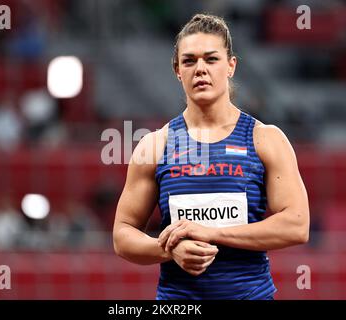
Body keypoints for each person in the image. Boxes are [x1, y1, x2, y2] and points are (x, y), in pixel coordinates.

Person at [113, 13, 310, 300]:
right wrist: (168, 248)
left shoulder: (266, 139)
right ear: (177, 70)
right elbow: (122, 235)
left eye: (211, 59)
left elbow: (297, 225)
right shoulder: (154, 146)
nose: (200, 69)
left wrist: (211, 233)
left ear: (231, 66)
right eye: (190, 61)